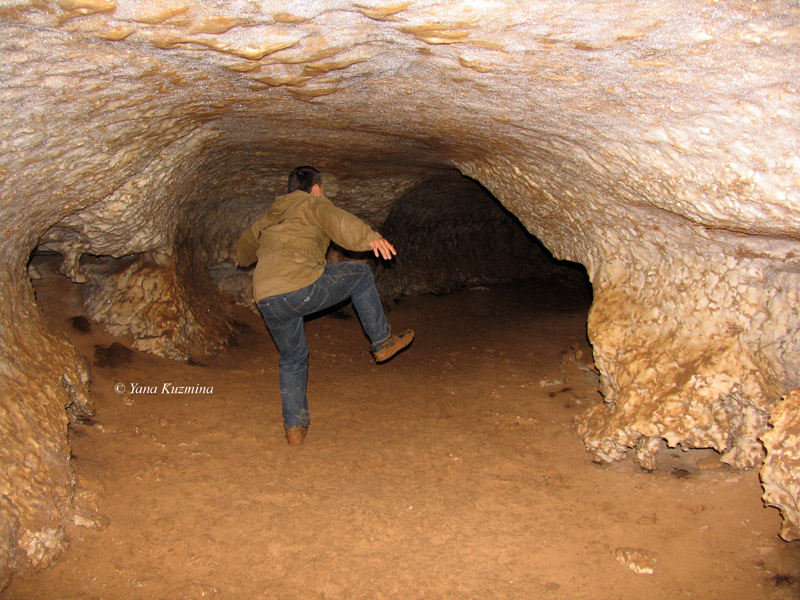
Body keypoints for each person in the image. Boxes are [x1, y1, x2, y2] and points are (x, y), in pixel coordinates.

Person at [237, 166, 414, 445]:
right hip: (299, 284)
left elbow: (246, 244)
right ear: (316, 189)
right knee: (361, 275)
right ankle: (382, 341)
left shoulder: (272, 216)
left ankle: (294, 428)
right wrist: (368, 236)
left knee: (292, 358)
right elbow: (336, 220)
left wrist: (242, 259)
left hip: (267, 299)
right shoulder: (312, 203)